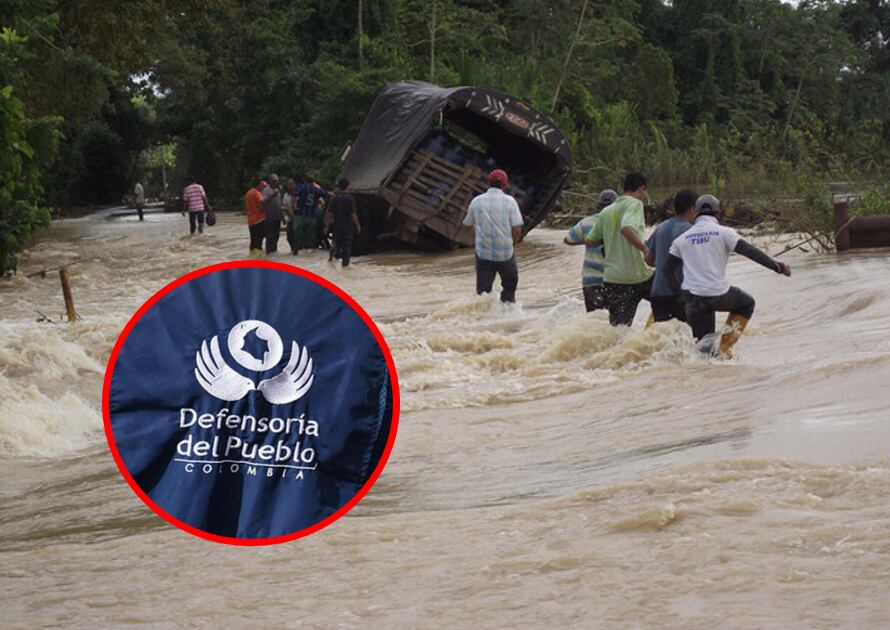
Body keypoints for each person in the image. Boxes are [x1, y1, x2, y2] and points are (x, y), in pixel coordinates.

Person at [663, 194, 792, 358]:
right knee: (746, 304)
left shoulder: (681, 240)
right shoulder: (724, 233)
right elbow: (750, 252)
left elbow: (666, 269)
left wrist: (681, 296)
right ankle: (724, 350)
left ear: (695, 213)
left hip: (693, 299)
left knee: (703, 352)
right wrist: (777, 266)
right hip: (718, 295)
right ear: (718, 214)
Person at [585, 172, 653, 326]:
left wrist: (610, 238)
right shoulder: (635, 204)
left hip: (613, 279)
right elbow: (627, 229)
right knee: (669, 301)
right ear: (641, 189)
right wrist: (645, 248)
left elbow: (590, 241)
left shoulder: (606, 211)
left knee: (619, 329)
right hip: (638, 275)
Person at [462, 169, 524, 303]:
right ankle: (507, 315)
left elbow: (467, 225)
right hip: (506, 253)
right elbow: (517, 228)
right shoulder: (510, 202)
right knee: (510, 288)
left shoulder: (476, 201)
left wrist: (478, 236)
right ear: (505, 185)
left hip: (483, 253)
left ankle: (484, 319)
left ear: (488, 183)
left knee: (483, 294)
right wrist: (513, 243)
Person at [644, 189, 698, 323]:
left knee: (664, 339)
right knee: (687, 338)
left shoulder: (660, 227)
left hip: (657, 293)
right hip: (679, 293)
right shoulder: (691, 231)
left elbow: (649, 260)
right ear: (692, 209)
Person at [563, 188, 617, 312]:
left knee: (594, 320)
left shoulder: (586, 222)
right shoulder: (621, 223)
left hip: (591, 280)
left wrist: (588, 241)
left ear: (599, 205)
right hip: (614, 279)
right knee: (614, 322)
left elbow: (567, 240)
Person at [325, 178, 362, 267]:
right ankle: (345, 265)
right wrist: (357, 226)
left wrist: (326, 226)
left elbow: (329, 214)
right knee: (347, 248)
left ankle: (331, 263)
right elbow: (353, 215)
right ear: (347, 186)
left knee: (335, 244)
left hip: (337, 225)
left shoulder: (334, 198)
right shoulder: (350, 198)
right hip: (347, 226)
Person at [293, 173, 327, 254]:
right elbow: (325, 193)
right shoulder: (316, 189)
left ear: (304, 180)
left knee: (298, 235)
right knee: (310, 236)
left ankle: (296, 251)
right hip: (311, 215)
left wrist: (294, 206)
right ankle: (309, 252)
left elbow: (295, 194)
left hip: (300, 214)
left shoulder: (302, 187)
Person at [262, 173, 283, 254]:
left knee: (276, 237)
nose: (276, 183)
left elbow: (279, 205)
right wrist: (272, 196)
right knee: (270, 238)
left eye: (277, 181)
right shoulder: (266, 190)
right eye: (274, 181)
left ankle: (274, 254)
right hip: (269, 218)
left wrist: (282, 217)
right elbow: (263, 203)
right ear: (269, 181)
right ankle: (269, 255)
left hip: (277, 218)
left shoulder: (278, 191)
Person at [245, 179, 266, 255]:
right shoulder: (257, 193)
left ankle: (252, 256)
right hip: (258, 220)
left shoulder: (248, 193)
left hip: (251, 220)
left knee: (253, 241)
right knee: (259, 241)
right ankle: (258, 257)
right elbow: (261, 207)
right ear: (259, 185)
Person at [283, 178, 298, 253]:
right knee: (289, 237)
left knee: (297, 237)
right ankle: (293, 251)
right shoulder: (286, 195)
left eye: (292, 184)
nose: (290, 186)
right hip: (290, 219)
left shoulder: (299, 194)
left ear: (294, 185)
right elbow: (285, 208)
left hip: (298, 219)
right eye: (289, 184)